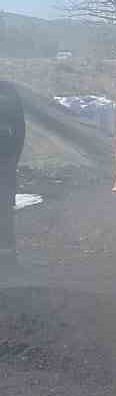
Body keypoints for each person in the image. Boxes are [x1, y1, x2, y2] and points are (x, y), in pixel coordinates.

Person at [0, 81, 23, 272]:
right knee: (5, 209)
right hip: (7, 160)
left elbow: (19, 131)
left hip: (5, 160)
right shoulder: (9, 92)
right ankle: (8, 256)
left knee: (4, 209)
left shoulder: (8, 92)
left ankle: (7, 255)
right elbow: (20, 132)